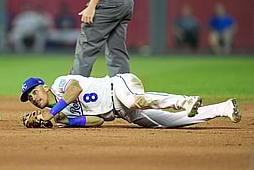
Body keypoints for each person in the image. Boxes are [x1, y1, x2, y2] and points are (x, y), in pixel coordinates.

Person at [20, 73, 241, 128]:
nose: (34, 98)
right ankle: (224, 108)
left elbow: (75, 90)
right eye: (30, 98)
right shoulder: (61, 117)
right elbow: (98, 121)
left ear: (45, 87)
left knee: (134, 100)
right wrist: (64, 121)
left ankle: (185, 100)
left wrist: (51, 113)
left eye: (35, 91)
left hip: (119, 87)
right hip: (122, 113)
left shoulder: (60, 83)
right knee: (171, 123)